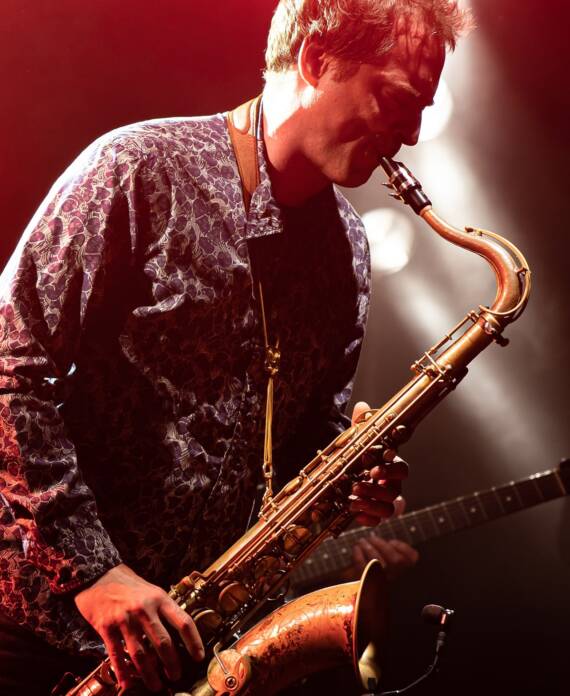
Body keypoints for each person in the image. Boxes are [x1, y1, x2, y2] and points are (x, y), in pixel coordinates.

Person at [0, 1, 472, 693]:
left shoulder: (348, 248)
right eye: (398, 100)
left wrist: (346, 482)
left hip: (190, 653)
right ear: (316, 60)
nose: (413, 134)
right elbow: (9, 367)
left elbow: (301, 442)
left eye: (423, 110)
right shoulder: (138, 168)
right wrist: (92, 571)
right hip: (37, 633)